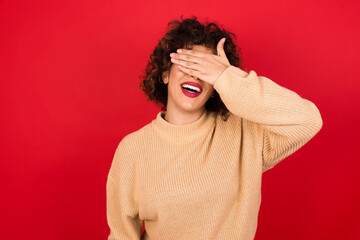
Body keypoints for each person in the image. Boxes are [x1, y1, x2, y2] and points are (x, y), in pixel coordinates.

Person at [106, 16, 323, 240]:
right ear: (164, 74)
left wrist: (227, 77)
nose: (195, 75)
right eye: (188, 63)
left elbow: (307, 120)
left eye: (205, 69)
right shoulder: (133, 149)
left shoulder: (245, 133)